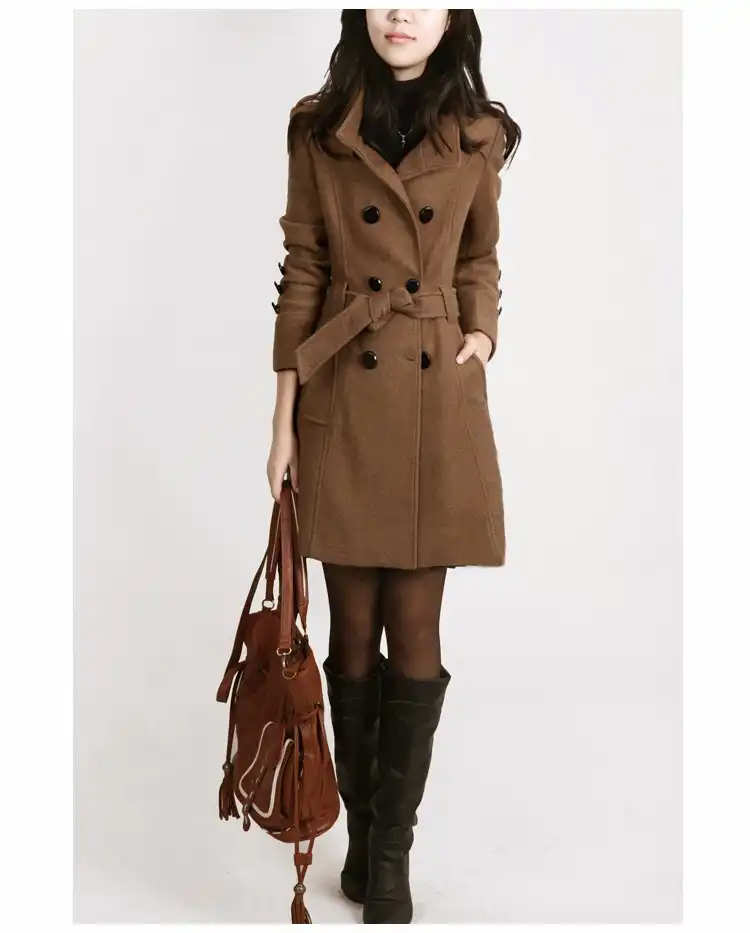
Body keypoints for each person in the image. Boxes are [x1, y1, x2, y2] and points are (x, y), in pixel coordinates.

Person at [266, 9, 521, 924]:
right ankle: (365, 834)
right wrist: (282, 420)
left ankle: (390, 856)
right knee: (349, 633)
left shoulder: (477, 133)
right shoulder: (318, 127)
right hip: (343, 392)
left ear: (453, 15)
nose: (400, 13)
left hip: (430, 400)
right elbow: (303, 266)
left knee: (415, 626)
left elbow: (480, 253)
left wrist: (479, 335)